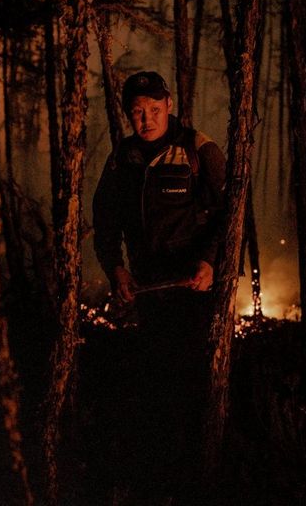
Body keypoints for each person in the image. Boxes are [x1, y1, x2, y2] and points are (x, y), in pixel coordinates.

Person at [92, 71, 226, 500]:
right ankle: (157, 476)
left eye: (153, 110)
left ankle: (196, 478)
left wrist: (210, 262)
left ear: (168, 105)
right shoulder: (123, 158)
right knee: (154, 383)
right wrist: (116, 270)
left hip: (193, 290)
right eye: (137, 112)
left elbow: (230, 215)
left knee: (190, 383)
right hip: (150, 290)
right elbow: (105, 222)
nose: (146, 119)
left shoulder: (197, 149)